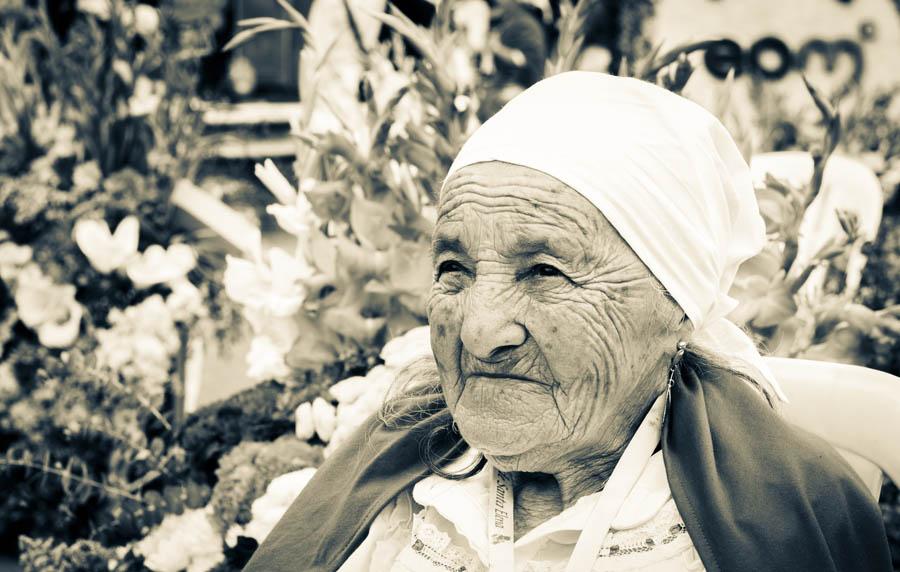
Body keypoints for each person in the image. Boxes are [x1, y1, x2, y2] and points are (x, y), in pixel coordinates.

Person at [244, 72, 891, 571]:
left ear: (678, 306)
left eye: (545, 271)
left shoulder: (787, 516)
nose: (478, 329)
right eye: (454, 268)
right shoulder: (388, 469)